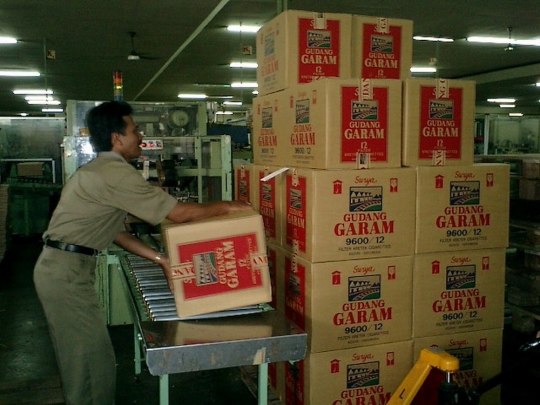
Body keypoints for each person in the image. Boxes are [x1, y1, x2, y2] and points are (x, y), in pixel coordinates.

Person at [33, 100, 251, 405]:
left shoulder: (102, 170)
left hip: (65, 268)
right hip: (66, 271)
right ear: (116, 138)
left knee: (85, 357)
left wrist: (161, 259)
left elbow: (116, 233)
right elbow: (179, 214)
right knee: (89, 361)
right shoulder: (114, 173)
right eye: (135, 130)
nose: (141, 135)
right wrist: (228, 206)